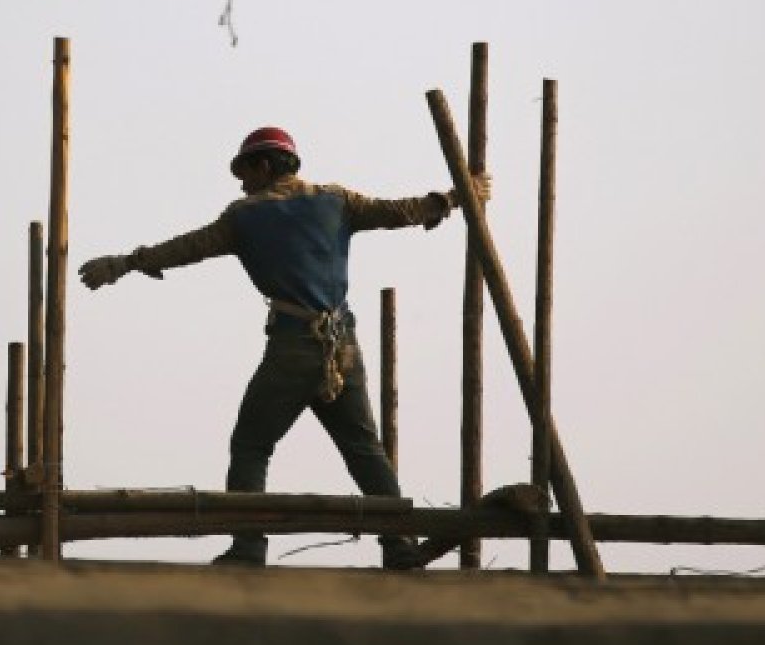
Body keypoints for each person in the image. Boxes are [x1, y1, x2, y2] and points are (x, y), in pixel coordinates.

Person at [78, 126, 491, 569]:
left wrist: (127, 263)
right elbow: (398, 212)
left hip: (294, 346)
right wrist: (454, 198)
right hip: (342, 346)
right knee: (364, 450)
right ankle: (399, 545)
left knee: (251, 445)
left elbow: (187, 248)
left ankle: (248, 545)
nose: (241, 182)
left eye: (245, 172)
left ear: (264, 166)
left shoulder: (245, 216)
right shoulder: (336, 200)